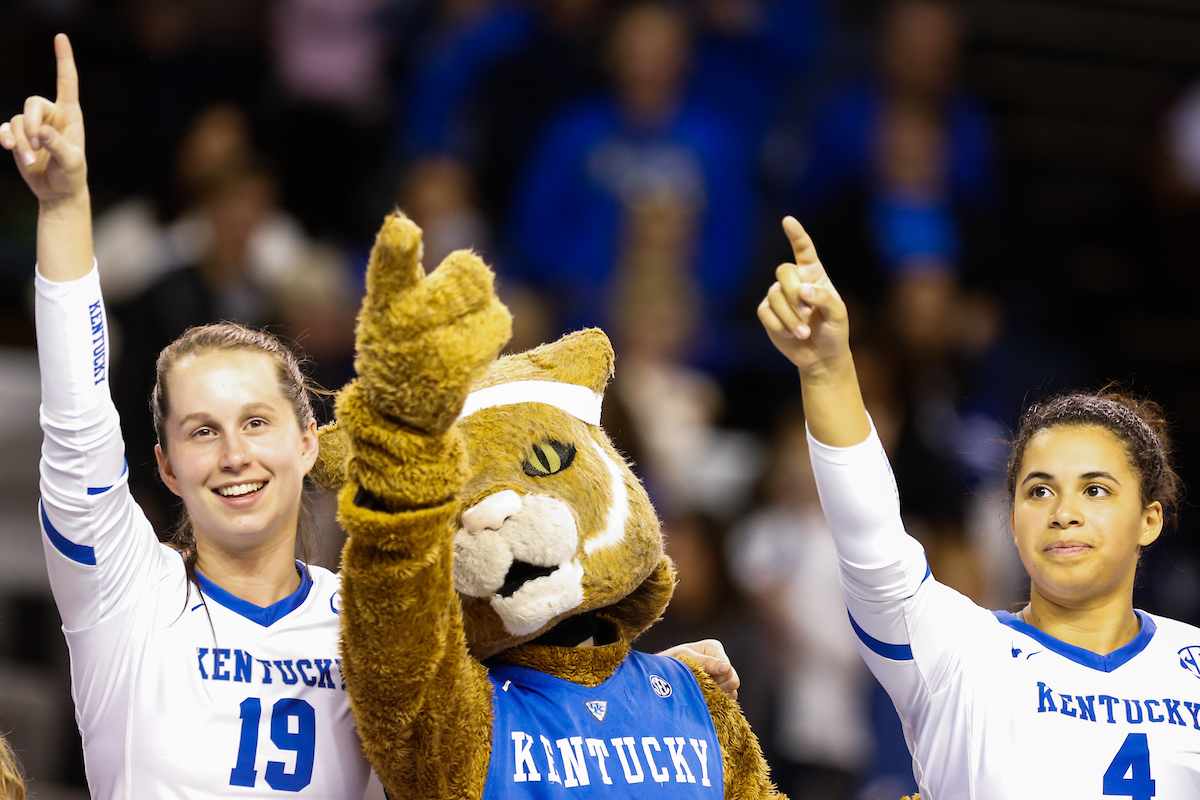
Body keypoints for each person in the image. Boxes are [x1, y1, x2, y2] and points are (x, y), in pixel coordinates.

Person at [2, 35, 739, 798]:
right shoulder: (126, 592)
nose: (233, 454)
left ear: (308, 440)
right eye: (200, 430)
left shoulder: (376, 625)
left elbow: (536, 681)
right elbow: (78, 428)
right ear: (164, 466)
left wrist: (665, 687)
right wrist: (64, 207)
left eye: (257, 422)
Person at [757, 216, 1200, 796]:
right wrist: (825, 370)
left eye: (1095, 489)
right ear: (1012, 521)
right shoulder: (956, 653)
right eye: (1039, 490)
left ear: (1150, 519)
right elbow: (872, 541)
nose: (1063, 511)